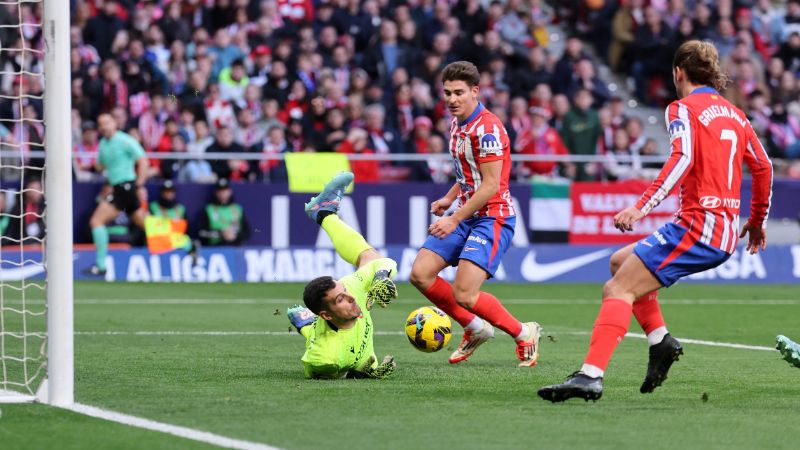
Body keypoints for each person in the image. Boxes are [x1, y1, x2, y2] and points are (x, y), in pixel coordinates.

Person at [538, 40, 774, 403]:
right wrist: (756, 221)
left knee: (617, 290)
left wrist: (641, 207)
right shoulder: (736, 114)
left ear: (678, 72)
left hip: (699, 226)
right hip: (722, 228)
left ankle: (590, 376)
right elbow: (763, 166)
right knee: (619, 263)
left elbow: (682, 158)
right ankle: (660, 342)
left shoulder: (682, 108)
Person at [408, 61, 542, 367]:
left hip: (493, 217)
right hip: (467, 212)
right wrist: (448, 198)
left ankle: (524, 333)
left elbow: (492, 184)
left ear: (475, 91)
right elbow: (469, 173)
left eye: (459, 93)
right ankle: (474, 327)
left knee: (465, 294)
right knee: (421, 273)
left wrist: (454, 217)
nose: (452, 99)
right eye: (447, 93)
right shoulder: (457, 123)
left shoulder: (489, 129)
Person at [287, 172, 399, 379]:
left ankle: (324, 213)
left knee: (369, 257)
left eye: (344, 291)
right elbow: (317, 372)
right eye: (341, 299)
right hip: (324, 336)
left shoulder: (350, 288)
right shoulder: (326, 357)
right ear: (327, 315)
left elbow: (383, 263)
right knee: (314, 331)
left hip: (325, 324)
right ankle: (306, 322)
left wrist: (381, 277)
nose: (351, 297)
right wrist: (360, 374)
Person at [83, 113, 151, 276]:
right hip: (119, 188)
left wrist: (139, 184)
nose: (104, 126)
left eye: (107, 122)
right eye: (101, 123)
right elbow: (100, 166)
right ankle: (187, 245)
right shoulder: (103, 144)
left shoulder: (125, 140)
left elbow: (143, 160)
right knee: (148, 226)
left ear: (115, 123)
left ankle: (101, 265)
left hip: (126, 186)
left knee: (96, 221)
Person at [197, 178, 250, 246]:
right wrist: (221, 233)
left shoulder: (237, 209)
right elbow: (201, 232)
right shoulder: (209, 210)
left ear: (230, 191)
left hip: (236, 245)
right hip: (217, 247)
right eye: (220, 191)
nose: (223, 194)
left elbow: (247, 232)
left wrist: (235, 235)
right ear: (216, 193)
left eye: (225, 191)